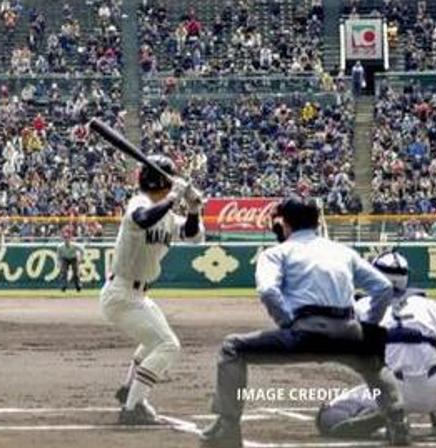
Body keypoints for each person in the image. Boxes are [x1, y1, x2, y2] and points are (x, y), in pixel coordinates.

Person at [199, 198, 409, 448]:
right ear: (317, 222)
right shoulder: (342, 251)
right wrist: (367, 327)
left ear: (284, 224)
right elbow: (383, 288)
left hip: (305, 331)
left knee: (232, 348)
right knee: (374, 365)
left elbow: (268, 291)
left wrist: (286, 322)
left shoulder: (276, 253)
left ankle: (228, 426)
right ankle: (398, 421)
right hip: (347, 331)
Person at [315, 251, 436, 440]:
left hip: (392, 390)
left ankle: (390, 417)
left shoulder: (364, 306)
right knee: (430, 361)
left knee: (327, 418)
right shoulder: (431, 305)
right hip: (434, 390)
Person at [102, 155, 205, 425]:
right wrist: (173, 196)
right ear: (162, 181)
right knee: (168, 346)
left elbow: (194, 236)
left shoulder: (169, 217)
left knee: (154, 342)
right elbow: (143, 219)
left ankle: (128, 390)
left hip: (138, 295)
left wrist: (194, 207)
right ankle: (133, 408)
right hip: (121, 293)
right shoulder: (141, 203)